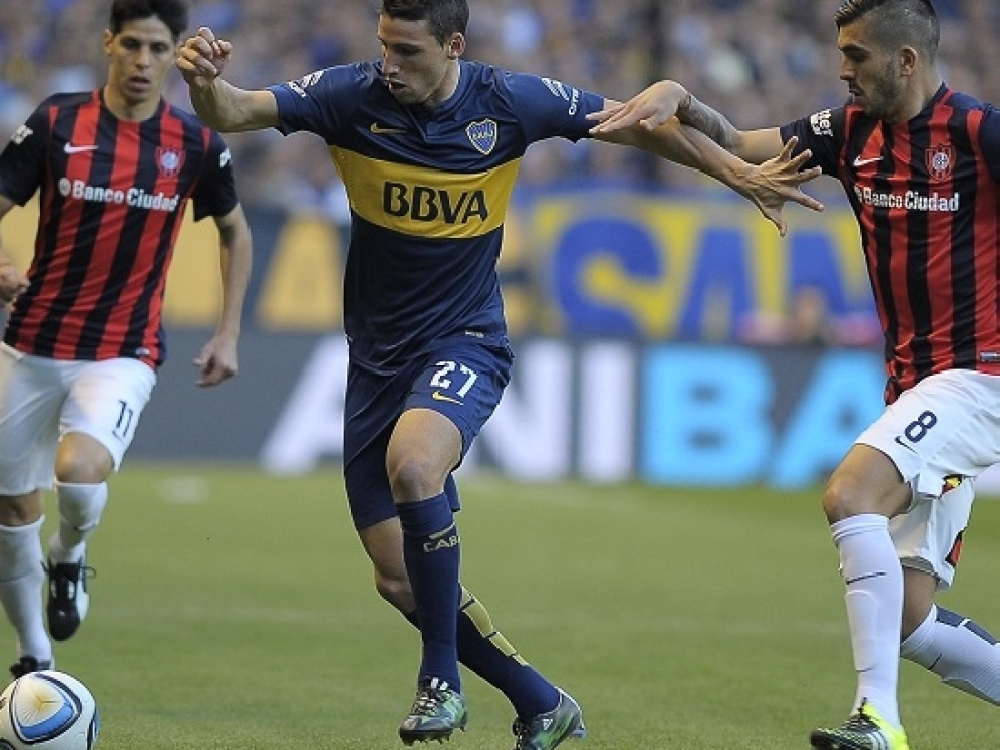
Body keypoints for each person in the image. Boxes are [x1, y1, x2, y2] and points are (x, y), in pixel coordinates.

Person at [175, 1, 822, 747]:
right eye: (385, 46)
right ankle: (542, 701)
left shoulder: (510, 101)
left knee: (415, 465)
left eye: (409, 51)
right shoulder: (349, 95)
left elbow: (638, 124)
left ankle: (439, 682)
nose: (390, 65)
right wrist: (203, 82)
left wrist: (736, 172)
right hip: (377, 361)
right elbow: (234, 110)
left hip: (466, 339)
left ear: (454, 45)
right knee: (395, 578)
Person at [591, 1, 1000, 749]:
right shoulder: (847, 132)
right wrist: (682, 102)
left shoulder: (979, 133)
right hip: (915, 386)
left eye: (857, 55)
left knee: (851, 494)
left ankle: (877, 720)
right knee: (907, 622)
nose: (842, 69)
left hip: (981, 376)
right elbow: (738, 145)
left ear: (906, 60)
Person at [0, 0, 252, 682]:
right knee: (11, 509)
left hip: (122, 349)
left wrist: (228, 333)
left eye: (158, 49)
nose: (143, 61)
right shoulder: (56, 121)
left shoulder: (194, 143)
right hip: (29, 344)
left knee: (80, 472)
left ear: (174, 54)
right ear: (109, 43)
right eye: (132, 45)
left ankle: (70, 553)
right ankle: (34, 658)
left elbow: (235, 232)